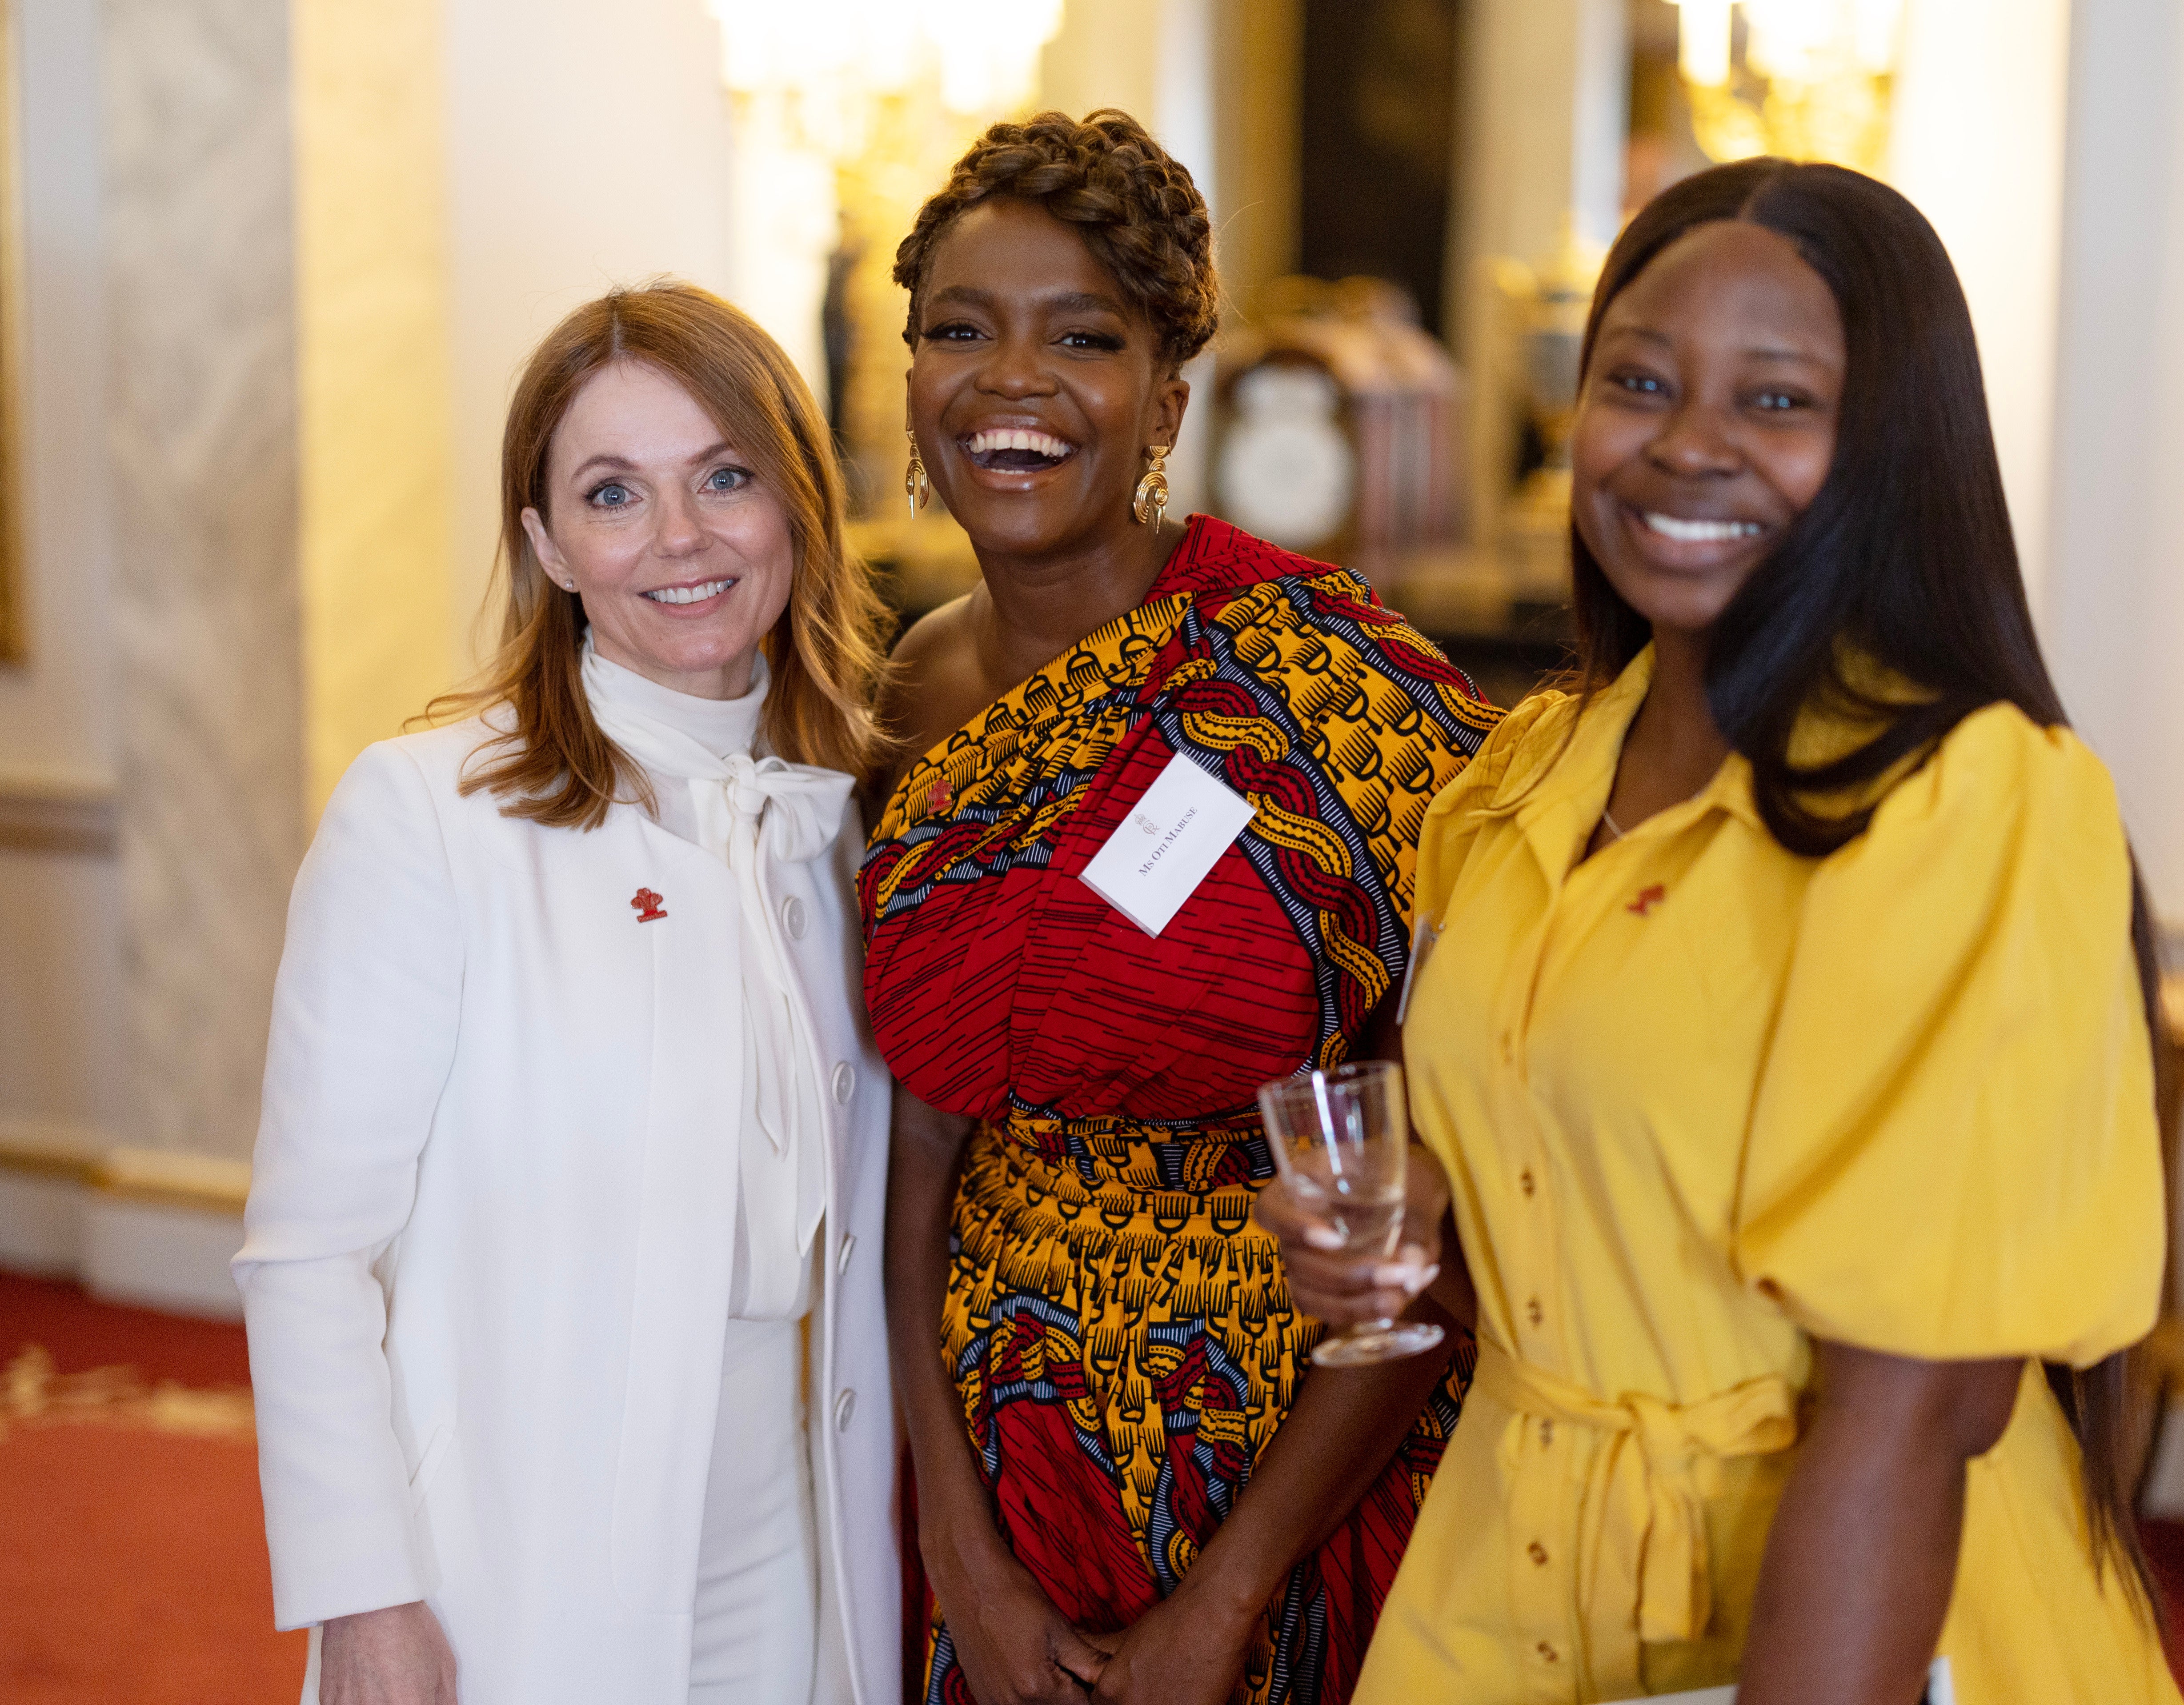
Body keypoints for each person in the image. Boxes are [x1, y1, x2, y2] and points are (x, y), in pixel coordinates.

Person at [1259, 159, 2179, 1704]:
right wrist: (1414, 1221)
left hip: (1855, 1619)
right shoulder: (1522, 778)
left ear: (1888, 447)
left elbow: (1909, 1406)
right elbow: (1536, 1217)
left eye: (1774, 400)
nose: (1685, 442)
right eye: (1637, 379)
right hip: (1500, 1598)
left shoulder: (1972, 799)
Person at [864, 109, 1503, 1705]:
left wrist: (1230, 1597)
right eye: (961, 330)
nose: (1009, 380)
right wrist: (950, 1522)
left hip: (1293, 1477)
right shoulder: (899, 698)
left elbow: (1453, 1179)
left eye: (1080, 335)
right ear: (910, 379)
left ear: (1166, 391)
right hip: (996, 1472)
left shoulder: (1329, 681)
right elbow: (916, 1139)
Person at [234, 282, 900, 1705]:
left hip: (808, 1541)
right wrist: (364, 1594)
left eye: (726, 476)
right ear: (546, 544)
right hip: (518, 1559)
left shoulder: (841, 822)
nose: (683, 536)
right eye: (614, 493)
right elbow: (306, 1251)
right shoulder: (427, 814)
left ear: (796, 503)